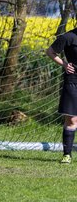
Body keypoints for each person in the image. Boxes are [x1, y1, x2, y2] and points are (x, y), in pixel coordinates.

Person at [46, 27, 77, 164]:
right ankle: (67, 155)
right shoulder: (68, 37)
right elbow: (50, 51)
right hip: (73, 82)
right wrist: (64, 64)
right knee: (71, 120)